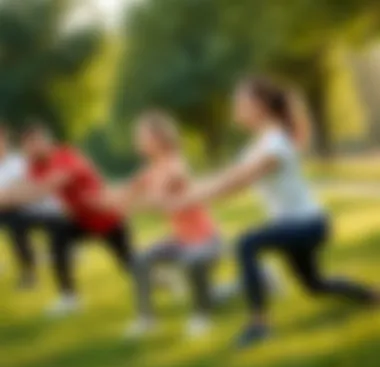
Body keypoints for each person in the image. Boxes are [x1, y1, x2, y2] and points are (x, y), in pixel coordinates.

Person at [167, 76, 379, 348]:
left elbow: (237, 182)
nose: (235, 106)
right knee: (315, 285)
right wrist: (187, 193)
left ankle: (259, 325)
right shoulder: (259, 143)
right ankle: (373, 296)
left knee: (247, 243)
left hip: (308, 224)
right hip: (296, 225)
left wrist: (187, 199)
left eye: (240, 101)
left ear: (259, 105)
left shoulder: (275, 142)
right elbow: (228, 176)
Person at [0, 122, 133, 316]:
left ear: (46, 140)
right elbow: (24, 187)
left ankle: (160, 280)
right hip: (79, 220)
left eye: (35, 142)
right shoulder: (36, 167)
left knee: (129, 264)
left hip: (105, 217)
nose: (32, 148)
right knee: (58, 241)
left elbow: (45, 188)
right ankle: (69, 298)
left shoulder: (65, 156)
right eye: (28, 145)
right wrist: (8, 196)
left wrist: (8, 198)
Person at [118, 111, 222, 338]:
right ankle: (146, 321)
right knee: (139, 260)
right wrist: (98, 199)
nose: (137, 141)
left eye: (142, 136)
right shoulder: (151, 168)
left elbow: (160, 197)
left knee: (194, 265)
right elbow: (125, 192)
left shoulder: (176, 164)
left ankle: (201, 318)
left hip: (205, 239)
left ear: (159, 138)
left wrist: (135, 202)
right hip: (182, 240)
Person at [0, 123, 63, 289]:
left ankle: (29, 273)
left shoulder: (19, 163)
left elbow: (27, 190)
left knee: (14, 221)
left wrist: (11, 197)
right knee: (12, 220)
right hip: (9, 211)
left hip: (31, 209)